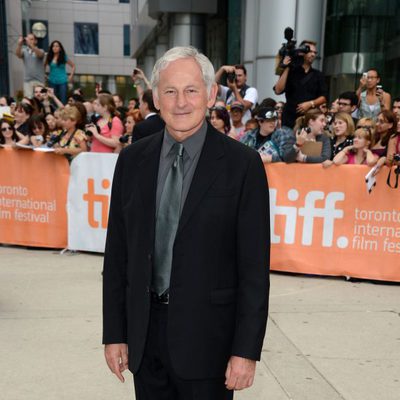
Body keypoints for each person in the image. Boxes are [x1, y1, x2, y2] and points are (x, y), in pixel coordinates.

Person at [103, 46, 270, 400]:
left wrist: (246, 351)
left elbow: (254, 269)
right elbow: (117, 254)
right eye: (170, 91)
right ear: (156, 98)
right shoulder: (132, 161)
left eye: (191, 90)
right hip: (144, 339)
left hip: (210, 344)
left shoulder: (243, 166)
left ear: (211, 95)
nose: (181, 102)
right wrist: (115, 333)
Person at [273, 40, 328, 129]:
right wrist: (287, 67)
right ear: (301, 52)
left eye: (315, 52)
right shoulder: (291, 71)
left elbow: (324, 97)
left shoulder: (318, 74)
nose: (313, 55)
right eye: (310, 51)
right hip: (289, 118)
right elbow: (278, 90)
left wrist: (310, 104)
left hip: (309, 119)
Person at [45, 40, 76, 105]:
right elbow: (43, 66)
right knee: (52, 100)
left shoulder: (63, 57)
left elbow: (73, 66)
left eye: (57, 46)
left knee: (63, 100)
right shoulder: (49, 56)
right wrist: (45, 76)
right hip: (52, 81)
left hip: (63, 81)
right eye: (53, 46)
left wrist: (71, 76)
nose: (55, 47)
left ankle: (62, 114)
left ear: (60, 48)